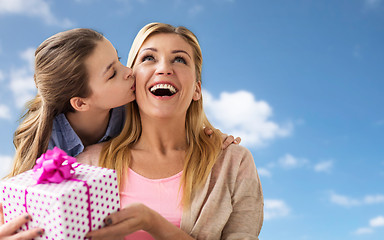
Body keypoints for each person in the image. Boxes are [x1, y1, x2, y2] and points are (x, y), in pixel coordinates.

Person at [2, 28, 240, 239]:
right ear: (81, 103)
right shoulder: (51, 142)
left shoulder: (130, 107)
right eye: (112, 73)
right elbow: (19, 200)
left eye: (118, 61)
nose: (128, 72)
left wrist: (205, 133)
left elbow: (172, 111)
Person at [78, 22, 263, 240]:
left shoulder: (233, 163)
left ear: (197, 89)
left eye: (179, 59)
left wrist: (153, 223)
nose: (164, 68)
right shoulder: (89, 165)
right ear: (131, 81)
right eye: (149, 58)